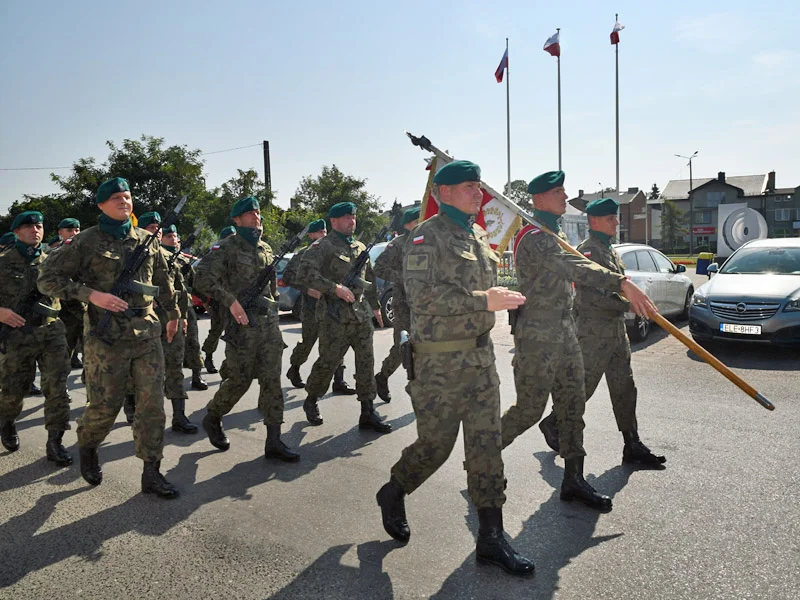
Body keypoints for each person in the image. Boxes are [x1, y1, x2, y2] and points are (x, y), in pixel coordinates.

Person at [375, 161, 534, 577]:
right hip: (439, 363)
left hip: (480, 360)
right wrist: (485, 300)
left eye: (478, 187)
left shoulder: (478, 235)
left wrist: (498, 300)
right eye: (468, 187)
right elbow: (426, 298)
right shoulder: (426, 237)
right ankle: (394, 490)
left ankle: (491, 538)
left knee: (486, 446)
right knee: (435, 447)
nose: (477, 193)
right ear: (443, 193)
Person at [500, 171, 658, 512]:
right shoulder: (535, 237)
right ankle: (480, 457)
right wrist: (622, 284)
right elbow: (576, 268)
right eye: (557, 192)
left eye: (563, 190)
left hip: (566, 332)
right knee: (528, 410)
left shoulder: (553, 233)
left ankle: (574, 478)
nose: (564, 195)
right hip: (538, 337)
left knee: (573, 408)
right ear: (539, 199)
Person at [38, 177, 181, 498]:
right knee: (106, 405)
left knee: (152, 405)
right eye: (116, 197)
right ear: (101, 205)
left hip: (146, 332)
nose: (123, 201)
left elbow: (162, 278)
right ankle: (88, 444)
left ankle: (151, 471)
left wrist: (174, 314)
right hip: (106, 339)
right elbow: (47, 279)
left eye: (127, 196)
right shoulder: (86, 241)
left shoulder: (147, 239)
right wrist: (90, 295)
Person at [538, 198, 666, 468]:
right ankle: (552, 423)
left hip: (616, 332)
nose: (617, 223)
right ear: (594, 221)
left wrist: (625, 306)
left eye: (616, 218)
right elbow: (590, 299)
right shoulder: (589, 252)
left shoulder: (610, 250)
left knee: (625, 388)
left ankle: (632, 443)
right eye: (611, 219)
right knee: (582, 389)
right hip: (592, 333)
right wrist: (628, 303)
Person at [194, 196, 298, 462]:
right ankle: (213, 416)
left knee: (272, 380)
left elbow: (271, 287)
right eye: (250, 213)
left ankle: (274, 440)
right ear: (237, 220)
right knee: (239, 381)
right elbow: (202, 278)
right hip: (243, 326)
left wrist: (274, 306)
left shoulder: (265, 247)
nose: (256, 217)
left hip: (269, 326)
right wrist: (230, 301)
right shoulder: (226, 248)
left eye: (258, 213)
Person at [297, 202, 389, 433]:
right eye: (346, 218)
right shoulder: (323, 246)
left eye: (353, 217)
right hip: (333, 317)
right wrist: (334, 288)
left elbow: (369, 279)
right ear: (334, 221)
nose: (351, 221)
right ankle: (312, 398)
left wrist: (375, 307)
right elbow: (304, 273)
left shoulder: (360, 247)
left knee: (366, 363)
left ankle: (367, 411)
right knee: (328, 363)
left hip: (360, 316)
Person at [0, 211, 72, 465]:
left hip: (51, 332)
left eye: (39, 226)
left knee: (57, 389)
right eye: (29, 226)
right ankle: (6, 421)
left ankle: (55, 442)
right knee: (13, 391)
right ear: (17, 231)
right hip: (18, 334)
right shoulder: (3, 261)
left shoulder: (53, 260)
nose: (35, 230)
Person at [284, 218, 356, 395]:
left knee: (337, 341)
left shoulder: (334, 250)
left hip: (332, 306)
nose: (323, 234)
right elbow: (288, 277)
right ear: (310, 235)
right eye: (319, 232)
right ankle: (295, 367)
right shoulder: (303, 254)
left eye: (324, 231)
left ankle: (338, 380)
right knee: (308, 341)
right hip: (311, 307)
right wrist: (308, 290)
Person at [373, 206, 420, 403]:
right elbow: (379, 267)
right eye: (418, 220)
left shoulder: (428, 242)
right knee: (402, 347)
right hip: (403, 304)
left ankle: (420, 391)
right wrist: (402, 278)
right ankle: (382, 376)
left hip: (424, 303)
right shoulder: (398, 244)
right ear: (409, 224)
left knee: (425, 346)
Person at [157, 224, 199, 434]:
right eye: (168, 235)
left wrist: (181, 315)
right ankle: (138, 411)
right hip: (150, 321)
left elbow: (188, 286)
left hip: (174, 319)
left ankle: (179, 416)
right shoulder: (148, 257)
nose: (172, 238)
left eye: (175, 235)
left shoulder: (179, 259)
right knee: (147, 372)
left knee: (175, 367)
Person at [49, 218, 85, 369]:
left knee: (91, 351)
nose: (74, 233)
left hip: (86, 310)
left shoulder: (87, 252)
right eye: (70, 230)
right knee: (63, 353)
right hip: (66, 313)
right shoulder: (56, 254)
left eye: (77, 230)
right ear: (60, 233)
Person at [200, 225, 236, 374]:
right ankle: (208, 356)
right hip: (218, 300)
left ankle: (229, 366)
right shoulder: (215, 254)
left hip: (235, 300)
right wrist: (205, 300)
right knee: (216, 330)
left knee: (234, 333)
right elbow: (202, 280)